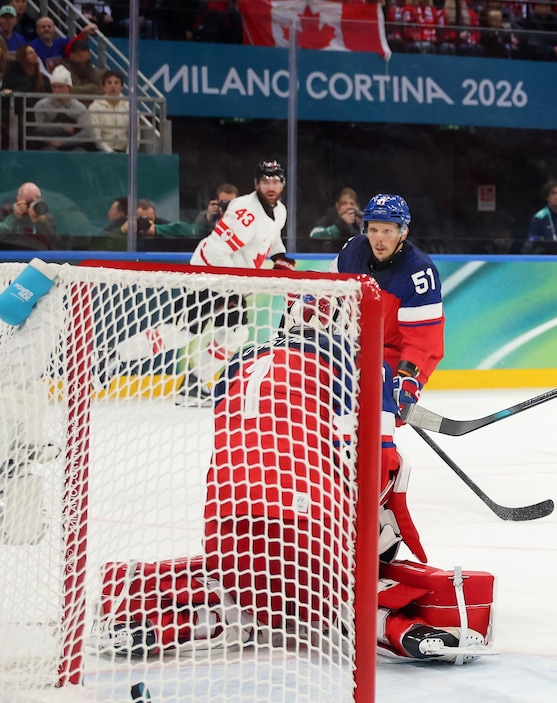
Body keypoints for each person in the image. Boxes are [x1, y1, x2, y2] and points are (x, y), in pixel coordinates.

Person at [99, 315, 488, 663]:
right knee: (336, 601)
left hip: (223, 512)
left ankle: (152, 628)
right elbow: (380, 463)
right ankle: (406, 633)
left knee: (247, 599)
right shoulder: (356, 358)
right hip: (303, 519)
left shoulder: (241, 360)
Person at [97, 161, 295, 406]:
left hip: (232, 281)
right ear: (256, 184)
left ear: (283, 184)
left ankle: (194, 383)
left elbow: (272, 239)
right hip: (208, 276)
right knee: (181, 333)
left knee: (235, 333)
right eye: (266, 181)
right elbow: (215, 250)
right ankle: (112, 355)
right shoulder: (244, 210)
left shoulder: (280, 211)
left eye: (275, 181)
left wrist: (280, 257)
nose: (271, 186)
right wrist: (231, 287)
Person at [331, 193, 445, 411]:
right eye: (373, 230)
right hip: (365, 344)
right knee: (343, 406)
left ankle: (385, 444)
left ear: (403, 232)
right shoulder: (354, 251)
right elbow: (331, 290)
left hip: (404, 350)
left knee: (383, 411)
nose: (379, 239)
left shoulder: (419, 272)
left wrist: (406, 376)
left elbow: (422, 339)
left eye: (387, 231)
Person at [524, 180, 557, 254]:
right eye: (553, 193)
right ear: (547, 197)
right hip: (542, 258)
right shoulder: (539, 218)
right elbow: (531, 240)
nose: (556, 196)